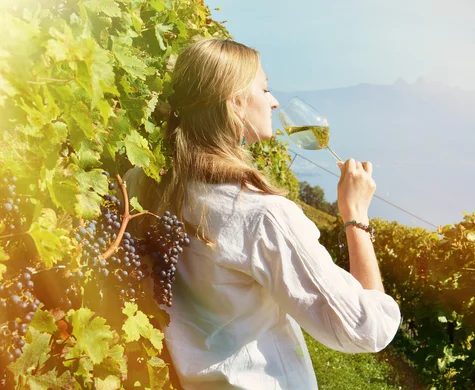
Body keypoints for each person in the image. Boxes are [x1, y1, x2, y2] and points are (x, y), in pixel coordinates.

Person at [125, 38, 401, 390]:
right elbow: (366, 328)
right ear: (236, 103)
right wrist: (356, 215)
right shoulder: (261, 215)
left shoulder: (144, 182)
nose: (273, 102)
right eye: (265, 88)